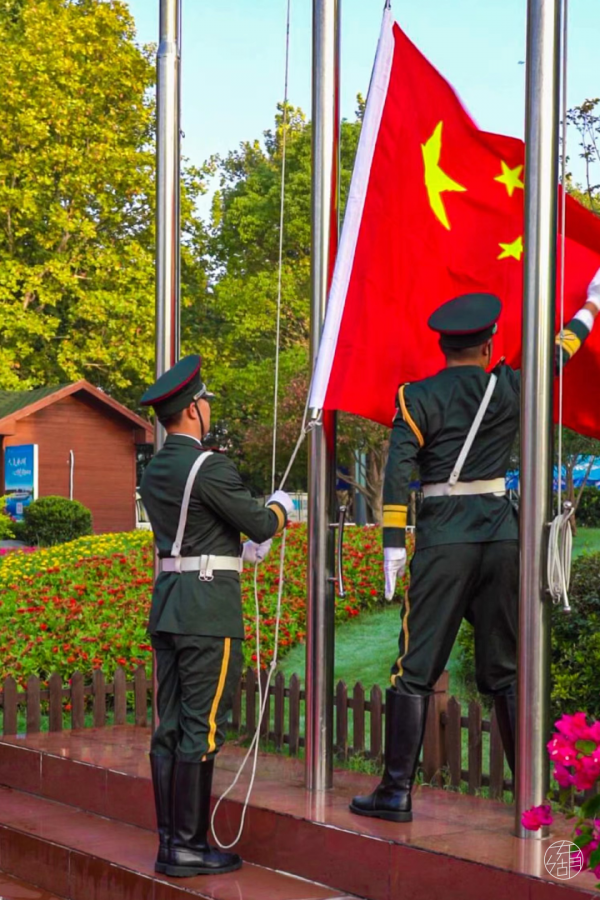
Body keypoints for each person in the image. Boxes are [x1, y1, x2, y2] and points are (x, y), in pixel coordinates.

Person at [350, 270, 600, 823]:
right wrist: (590, 307)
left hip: (445, 540)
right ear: (487, 345)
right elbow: (559, 352)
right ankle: (527, 794)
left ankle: (395, 794)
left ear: (442, 346)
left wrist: (394, 543)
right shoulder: (507, 385)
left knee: (413, 671)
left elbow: (397, 475)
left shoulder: (415, 397)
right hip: (500, 536)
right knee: (505, 670)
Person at [139, 354, 293, 876]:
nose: (207, 407)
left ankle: (170, 842)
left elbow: (196, 531)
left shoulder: (155, 468)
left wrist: (235, 549)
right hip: (207, 611)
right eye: (204, 401)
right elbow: (259, 522)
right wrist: (281, 508)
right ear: (190, 411)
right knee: (202, 728)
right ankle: (187, 847)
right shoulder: (208, 466)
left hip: (170, 604)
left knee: (170, 727)